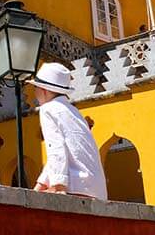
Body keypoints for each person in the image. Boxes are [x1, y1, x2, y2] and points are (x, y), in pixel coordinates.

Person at [27, 62, 107, 199]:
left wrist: (58, 186)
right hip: (95, 190)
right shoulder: (74, 112)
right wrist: (41, 184)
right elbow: (65, 150)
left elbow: (56, 148)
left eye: (35, 88)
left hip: (75, 187)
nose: (34, 92)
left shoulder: (48, 109)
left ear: (44, 90)